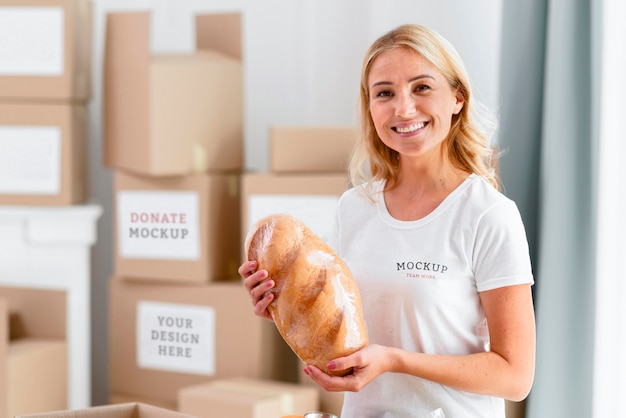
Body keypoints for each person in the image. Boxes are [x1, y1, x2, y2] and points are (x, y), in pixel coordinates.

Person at [239, 24, 535, 418]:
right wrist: (279, 302)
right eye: (384, 93)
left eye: (422, 87)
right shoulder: (355, 208)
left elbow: (515, 376)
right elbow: (332, 316)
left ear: (457, 98)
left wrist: (396, 360)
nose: (403, 108)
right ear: (370, 108)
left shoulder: (488, 215)